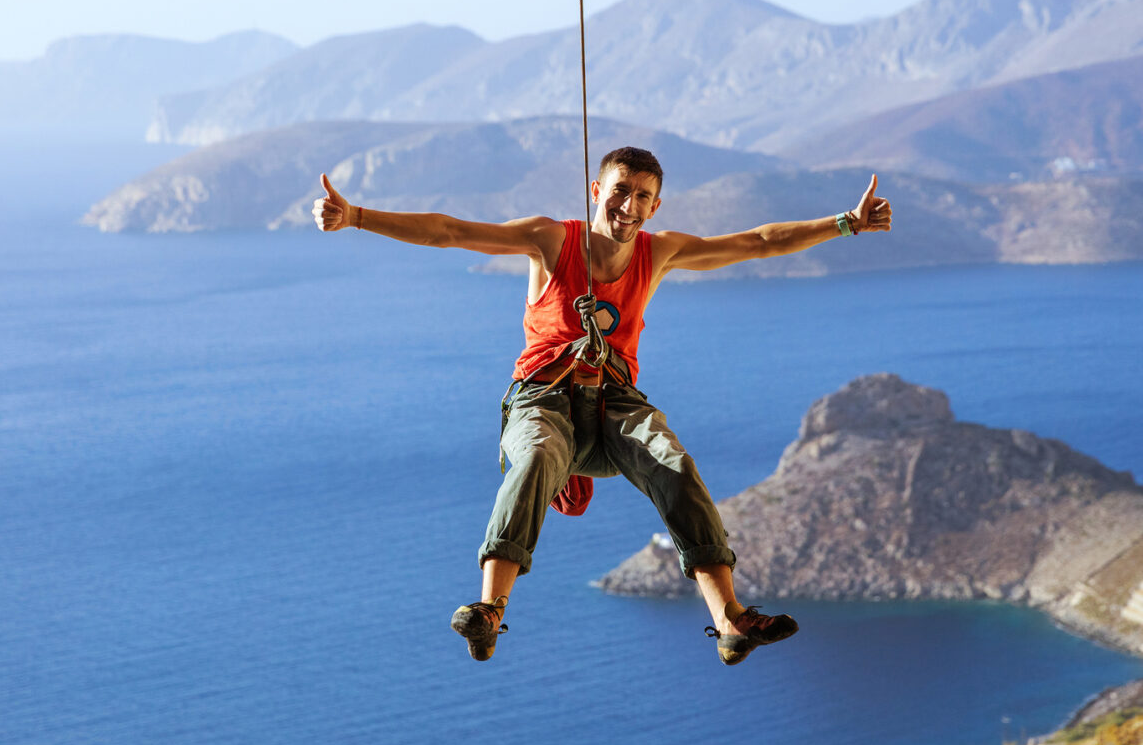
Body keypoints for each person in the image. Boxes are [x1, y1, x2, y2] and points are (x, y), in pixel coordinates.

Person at [313, 146, 892, 664]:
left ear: (656, 207)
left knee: (672, 460)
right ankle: (489, 609)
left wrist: (847, 223)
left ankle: (730, 619)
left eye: (643, 196)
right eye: (620, 190)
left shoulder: (658, 252)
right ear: (597, 190)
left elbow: (759, 243)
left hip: (616, 403)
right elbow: (449, 231)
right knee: (538, 456)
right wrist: (356, 216)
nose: (629, 205)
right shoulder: (551, 240)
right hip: (543, 398)